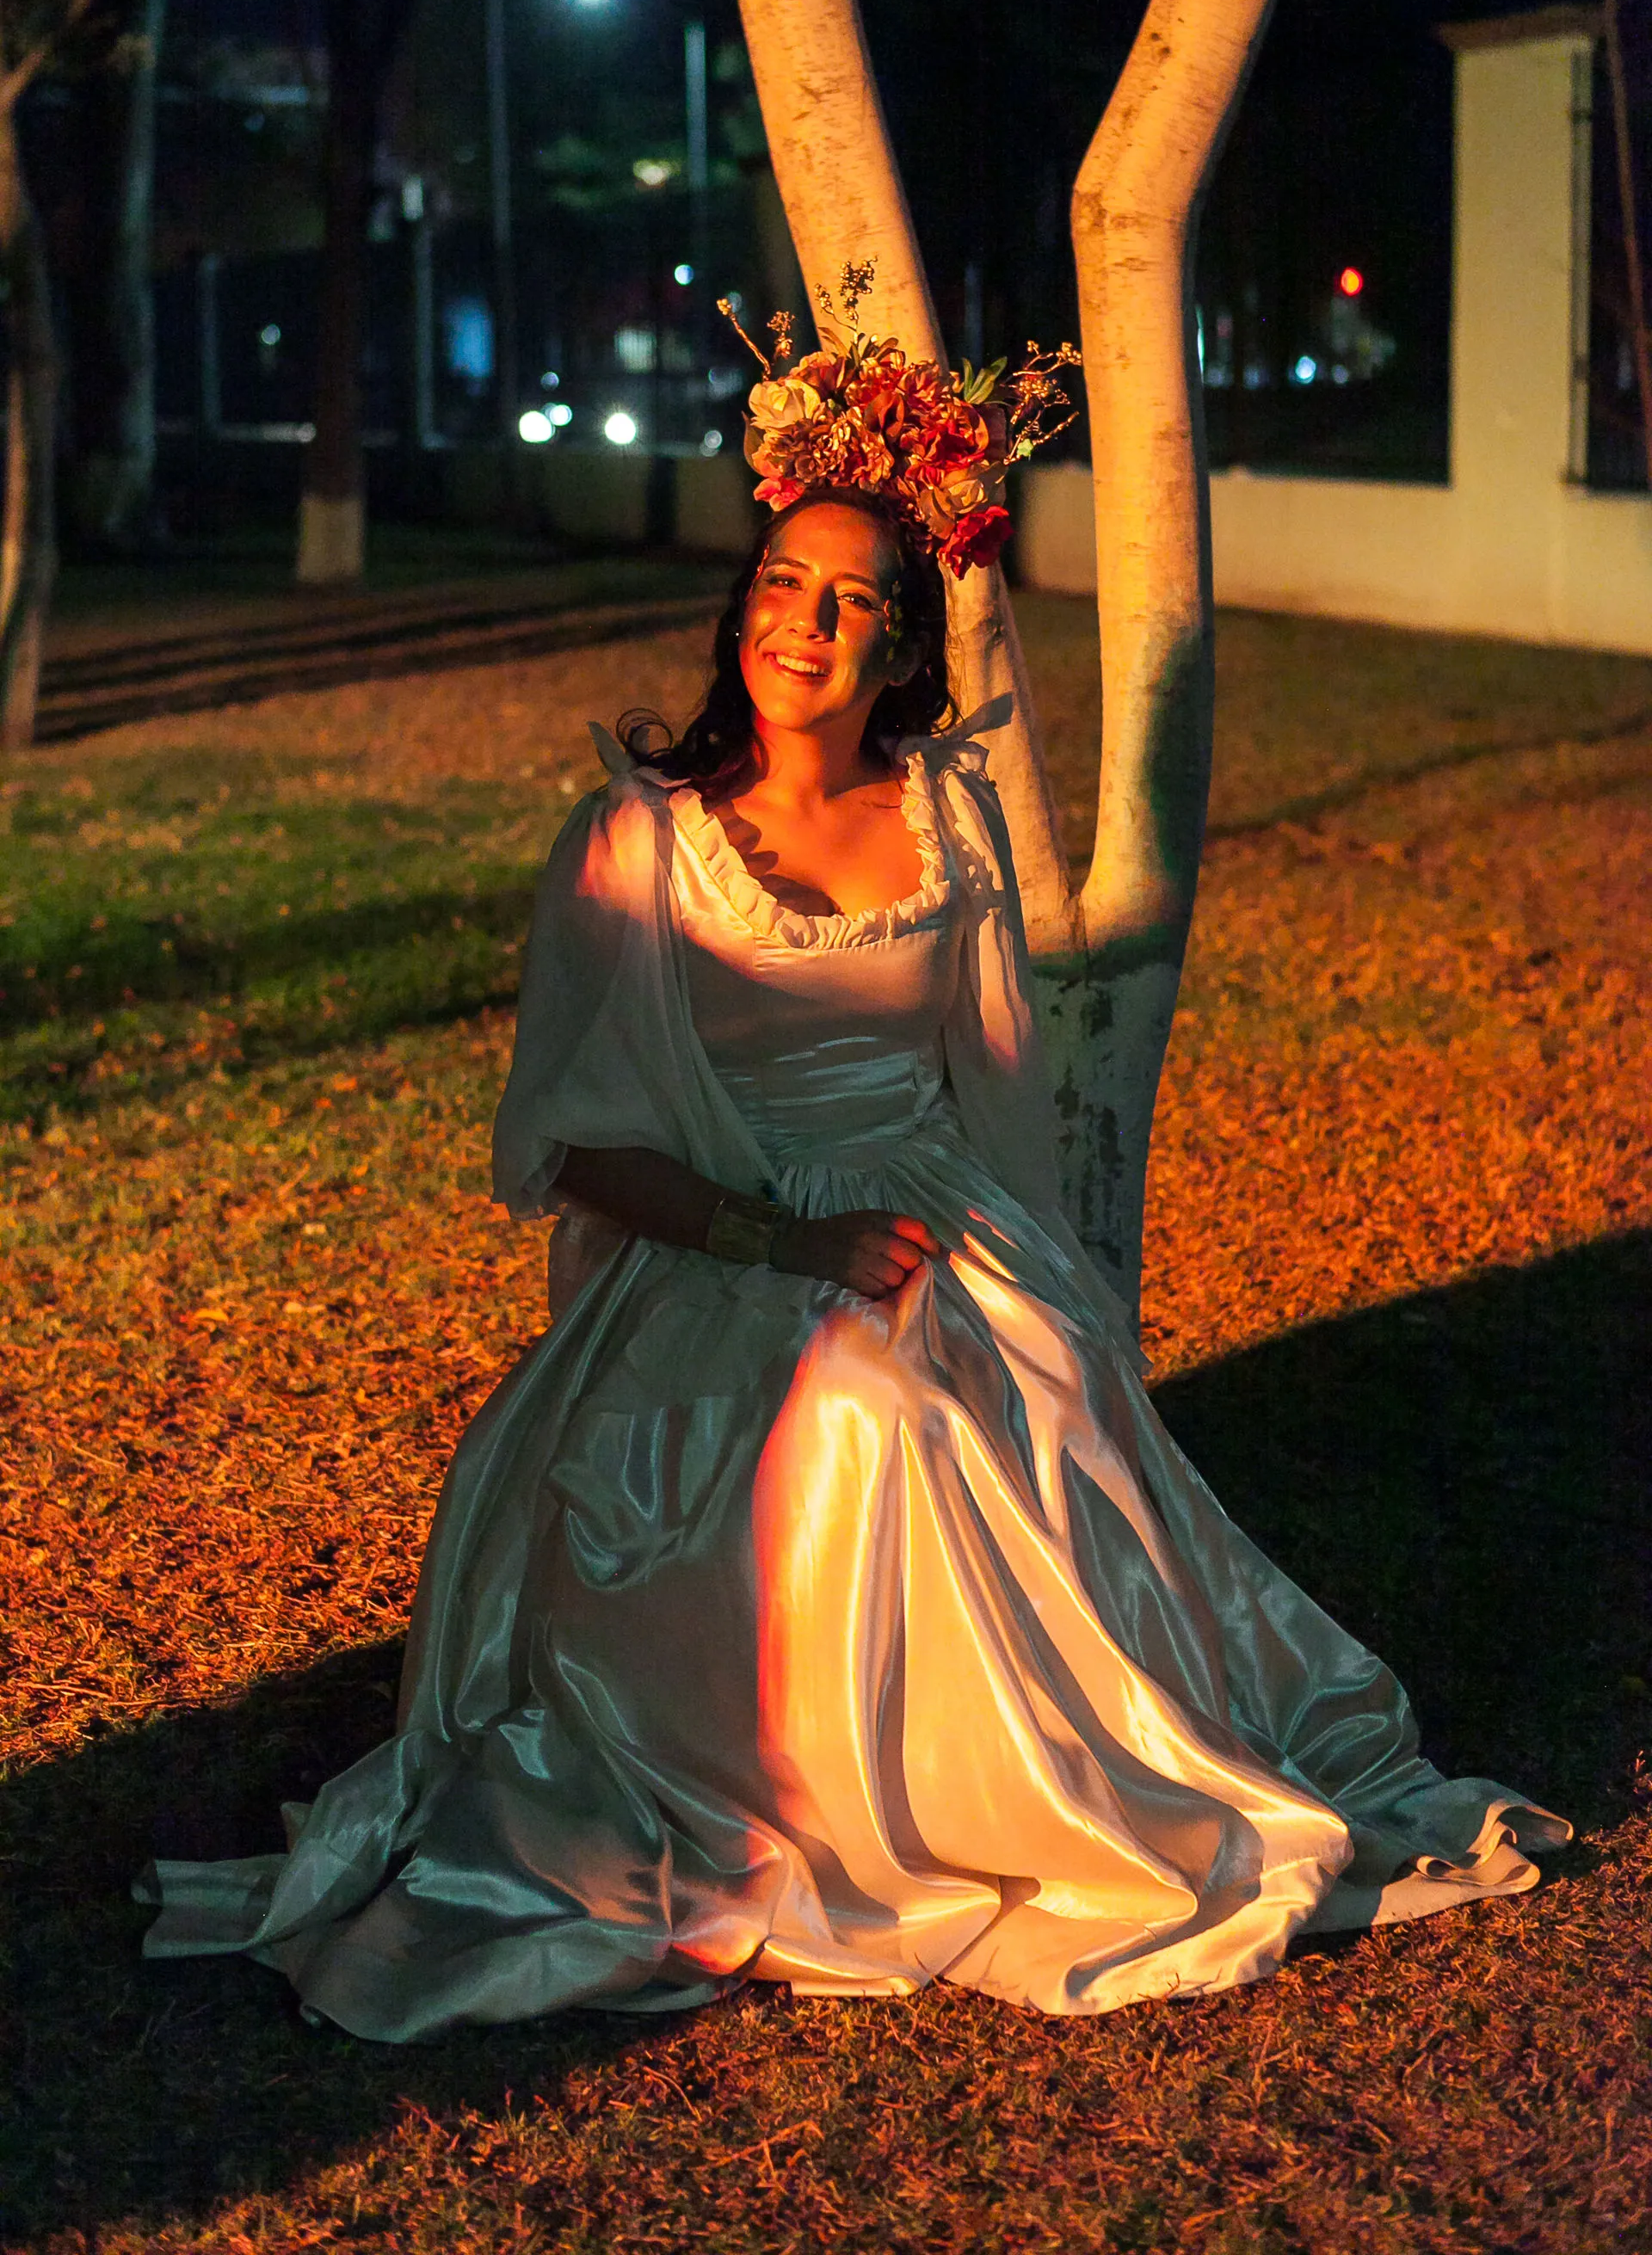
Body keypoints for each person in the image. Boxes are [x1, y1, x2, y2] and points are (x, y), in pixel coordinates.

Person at [139, 319, 1567, 2042]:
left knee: (974, 1410)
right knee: (847, 1434)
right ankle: (828, 1812)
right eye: (782, 587)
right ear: (739, 608)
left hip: (925, 1223)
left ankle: (1028, 1796)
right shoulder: (635, 843)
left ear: (904, 650)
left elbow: (995, 1090)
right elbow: (569, 1145)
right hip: (716, 1247)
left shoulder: (950, 825)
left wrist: (1021, 1289)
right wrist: (782, 1237)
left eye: (852, 604)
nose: (804, 627)